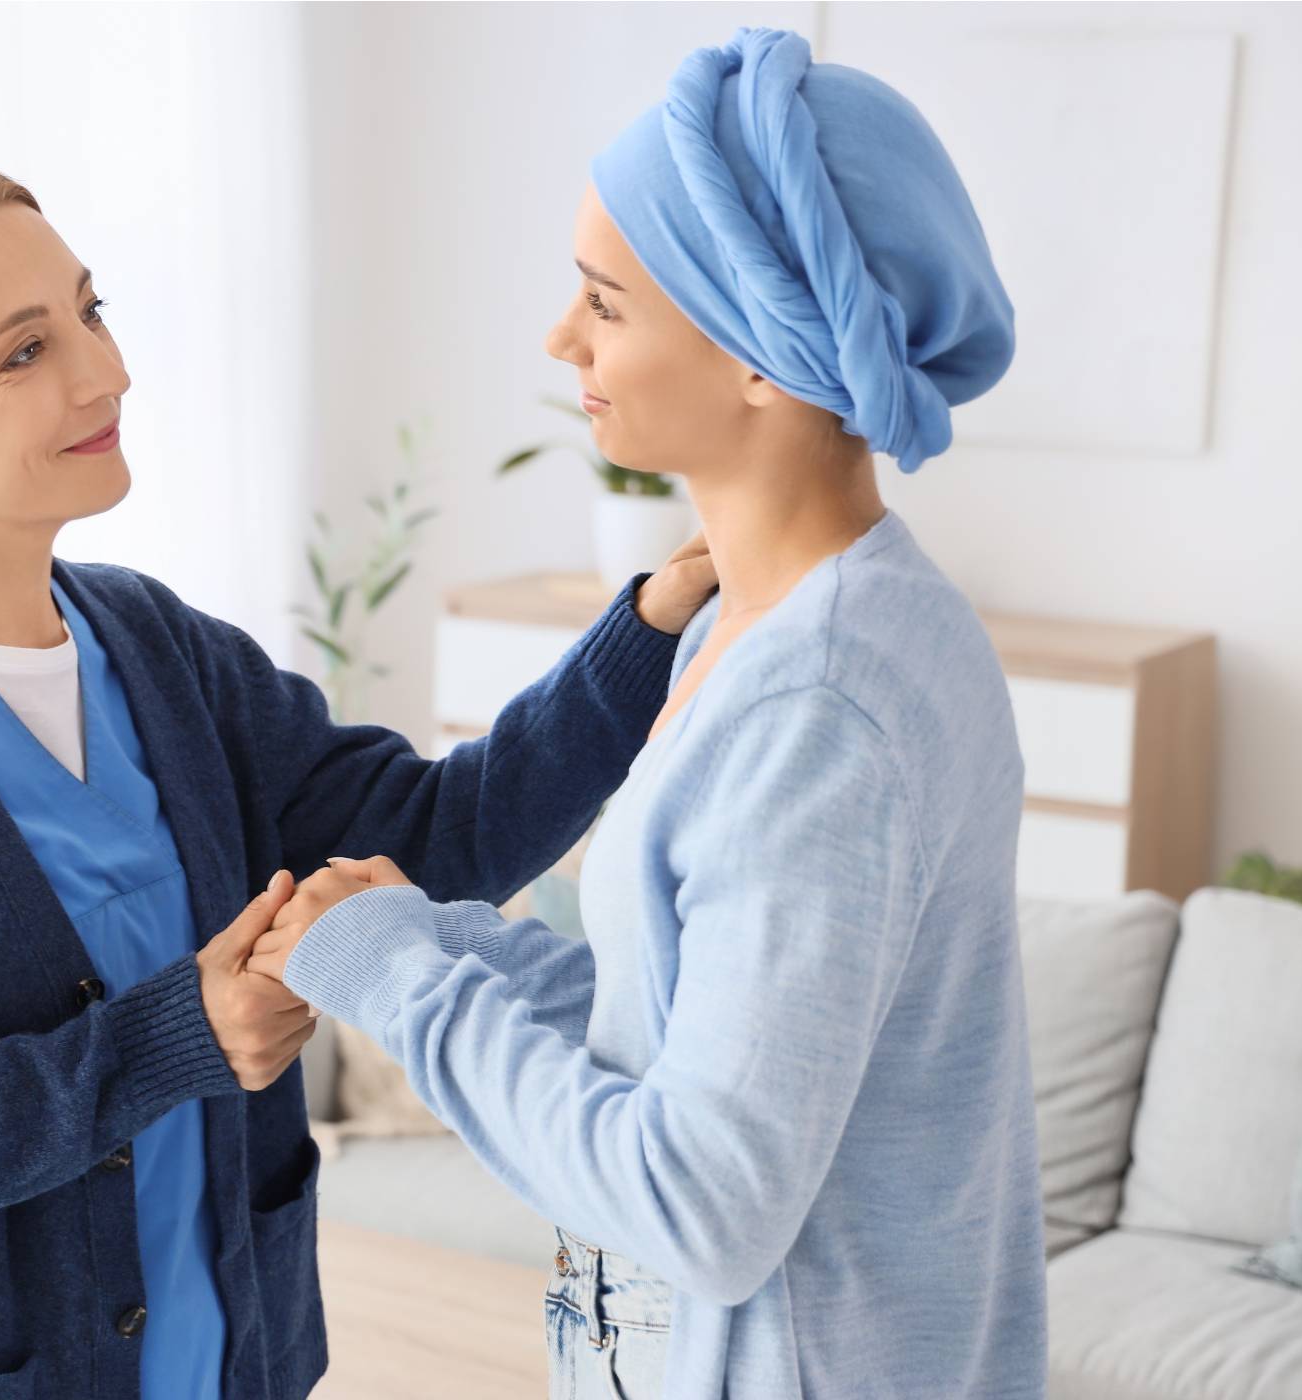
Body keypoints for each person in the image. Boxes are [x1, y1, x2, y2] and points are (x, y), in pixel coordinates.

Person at [0, 158, 720, 1400]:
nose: (102, 373)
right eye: (21, 353)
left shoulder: (155, 649)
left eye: (90, 314)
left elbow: (446, 829)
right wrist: (173, 1041)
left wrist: (653, 620)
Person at [247, 25, 1046, 1400]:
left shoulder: (823, 708)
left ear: (760, 354)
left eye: (606, 304)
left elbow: (699, 1205)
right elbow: (676, 1026)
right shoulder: (762, 625)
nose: (564, 337)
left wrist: (400, 981)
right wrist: (437, 942)